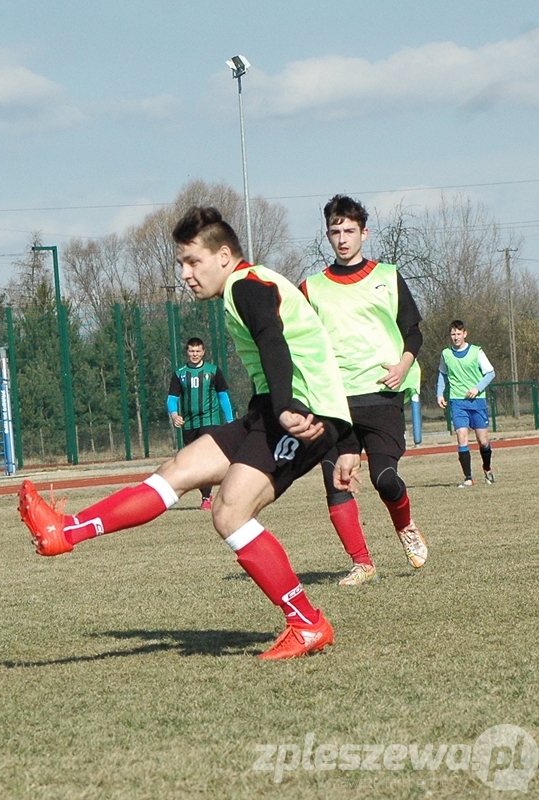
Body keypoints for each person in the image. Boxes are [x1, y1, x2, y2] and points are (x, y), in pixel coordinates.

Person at [19, 207, 355, 661]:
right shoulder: (248, 285)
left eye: (193, 261)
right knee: (176, 470)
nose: (185, 274)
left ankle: (307, 623)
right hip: (273, 408)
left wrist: (287, 408)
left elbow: (272, 340)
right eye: (181, 264)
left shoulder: (246, 285)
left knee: (229, 512)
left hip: (302, 414)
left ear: (223, 256)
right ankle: (66, 530)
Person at [299, 194, 429, 585]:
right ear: (327, 235)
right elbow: (300, 343)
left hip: (381, 396)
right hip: (334, 402)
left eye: (349, 231)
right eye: (335, 231)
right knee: (334, 480)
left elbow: (413, 332)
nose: (342, 239)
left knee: (384, 478)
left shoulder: (387, 276)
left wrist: (403, 365)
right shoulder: (311, 288)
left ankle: (405, 527)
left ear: (364, 233)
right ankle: (362, 563)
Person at [167, 338, 234, 510]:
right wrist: (174, 415)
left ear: (203, 352)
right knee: (194, 463)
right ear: (187, 352)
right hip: (189, 423)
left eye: (198, 351)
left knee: (206, 458)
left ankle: (206, 498)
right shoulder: (179, 374)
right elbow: (172, 398)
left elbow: (223, 396)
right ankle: (206, 493)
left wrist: (230, 420)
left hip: (210, 420)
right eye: (191, 351)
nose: (195, 354)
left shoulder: (213, 371)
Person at [437, 319, 495, 487]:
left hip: (477, 401)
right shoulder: (446, 354)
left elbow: (490, 373)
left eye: (458, 333)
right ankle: (468, 478)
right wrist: (439, 394)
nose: (455, 337)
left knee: (483, 441)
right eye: (453, 334)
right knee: (462, 437)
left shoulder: (476, 351)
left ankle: (487, 467)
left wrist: (477, 388)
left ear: (465, 334)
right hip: (457, 401)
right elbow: (442, 374)